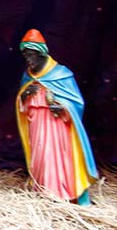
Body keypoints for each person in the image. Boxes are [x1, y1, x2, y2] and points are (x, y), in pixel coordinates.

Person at [16, 29, 98, 205]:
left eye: (32, 55)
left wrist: (61, 107)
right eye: (26, 56)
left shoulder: (61, 74)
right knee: (39, 156)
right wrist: (24, 96)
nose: (29, 60)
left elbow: (77, 103)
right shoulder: (28, 76)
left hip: (56, 125)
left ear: (41, 54)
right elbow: (21, 104)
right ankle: (42, 189)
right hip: (36, 123)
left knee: (55, 157)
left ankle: (58, 192)